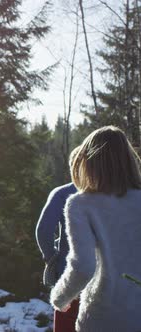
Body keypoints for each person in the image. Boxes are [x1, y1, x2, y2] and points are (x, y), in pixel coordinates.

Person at [50, 126, 141, 331]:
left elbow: (83, 267)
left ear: (89, 163)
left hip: (102, 317)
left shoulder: (81, 204)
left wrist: (59, 298)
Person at [36, 150, 79, 332]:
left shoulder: (63, 193)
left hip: (68, 279)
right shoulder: (120, 195)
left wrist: (53, 258)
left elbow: (43, 231)